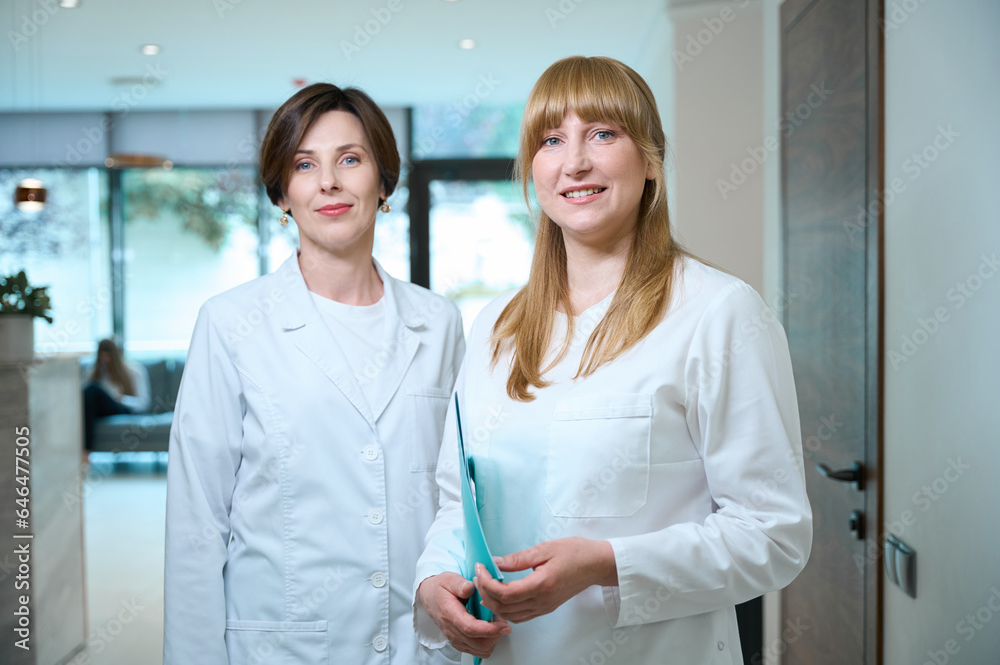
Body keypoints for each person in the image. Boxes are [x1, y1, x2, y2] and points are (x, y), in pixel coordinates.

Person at [413, 56, 813, 664]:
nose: (575, 161)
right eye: (551, 140)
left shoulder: (718, 313)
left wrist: (606, 564)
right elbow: (456, 501)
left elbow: (774, 534)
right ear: (532, 170)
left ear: (651, 160)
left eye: (603, 133)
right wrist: (433, 583)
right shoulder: (497, 325)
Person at [164, 83, 464, 664]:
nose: (329, 181)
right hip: (284, 648)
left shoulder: (439, 322)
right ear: (282, 193)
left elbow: (455, 495)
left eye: (350, 159)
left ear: (383, 182)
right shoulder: (231, 324)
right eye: (305, 164)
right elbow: (197, 522)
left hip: (419, 643)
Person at [83, 337, 151, 450]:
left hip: (123, 408)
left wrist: (122, 399)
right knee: (89, 392)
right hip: (101, 410)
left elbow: (144, 403)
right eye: (102, 358)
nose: (105, 362)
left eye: (108, 358)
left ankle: (86, 450)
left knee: (92, 389)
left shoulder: (134, 370)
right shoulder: (94, 372)